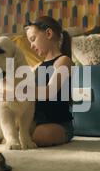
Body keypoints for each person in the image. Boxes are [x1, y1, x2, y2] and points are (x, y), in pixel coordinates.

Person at [24, 16, 74, 147]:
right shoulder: (37, 66)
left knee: (40, 135)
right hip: (36, 122)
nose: (31, 46)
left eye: (33, 39)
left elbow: (49, 92)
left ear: (48, 33)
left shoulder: (63, 61)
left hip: (59, 124)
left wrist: (20, 91)